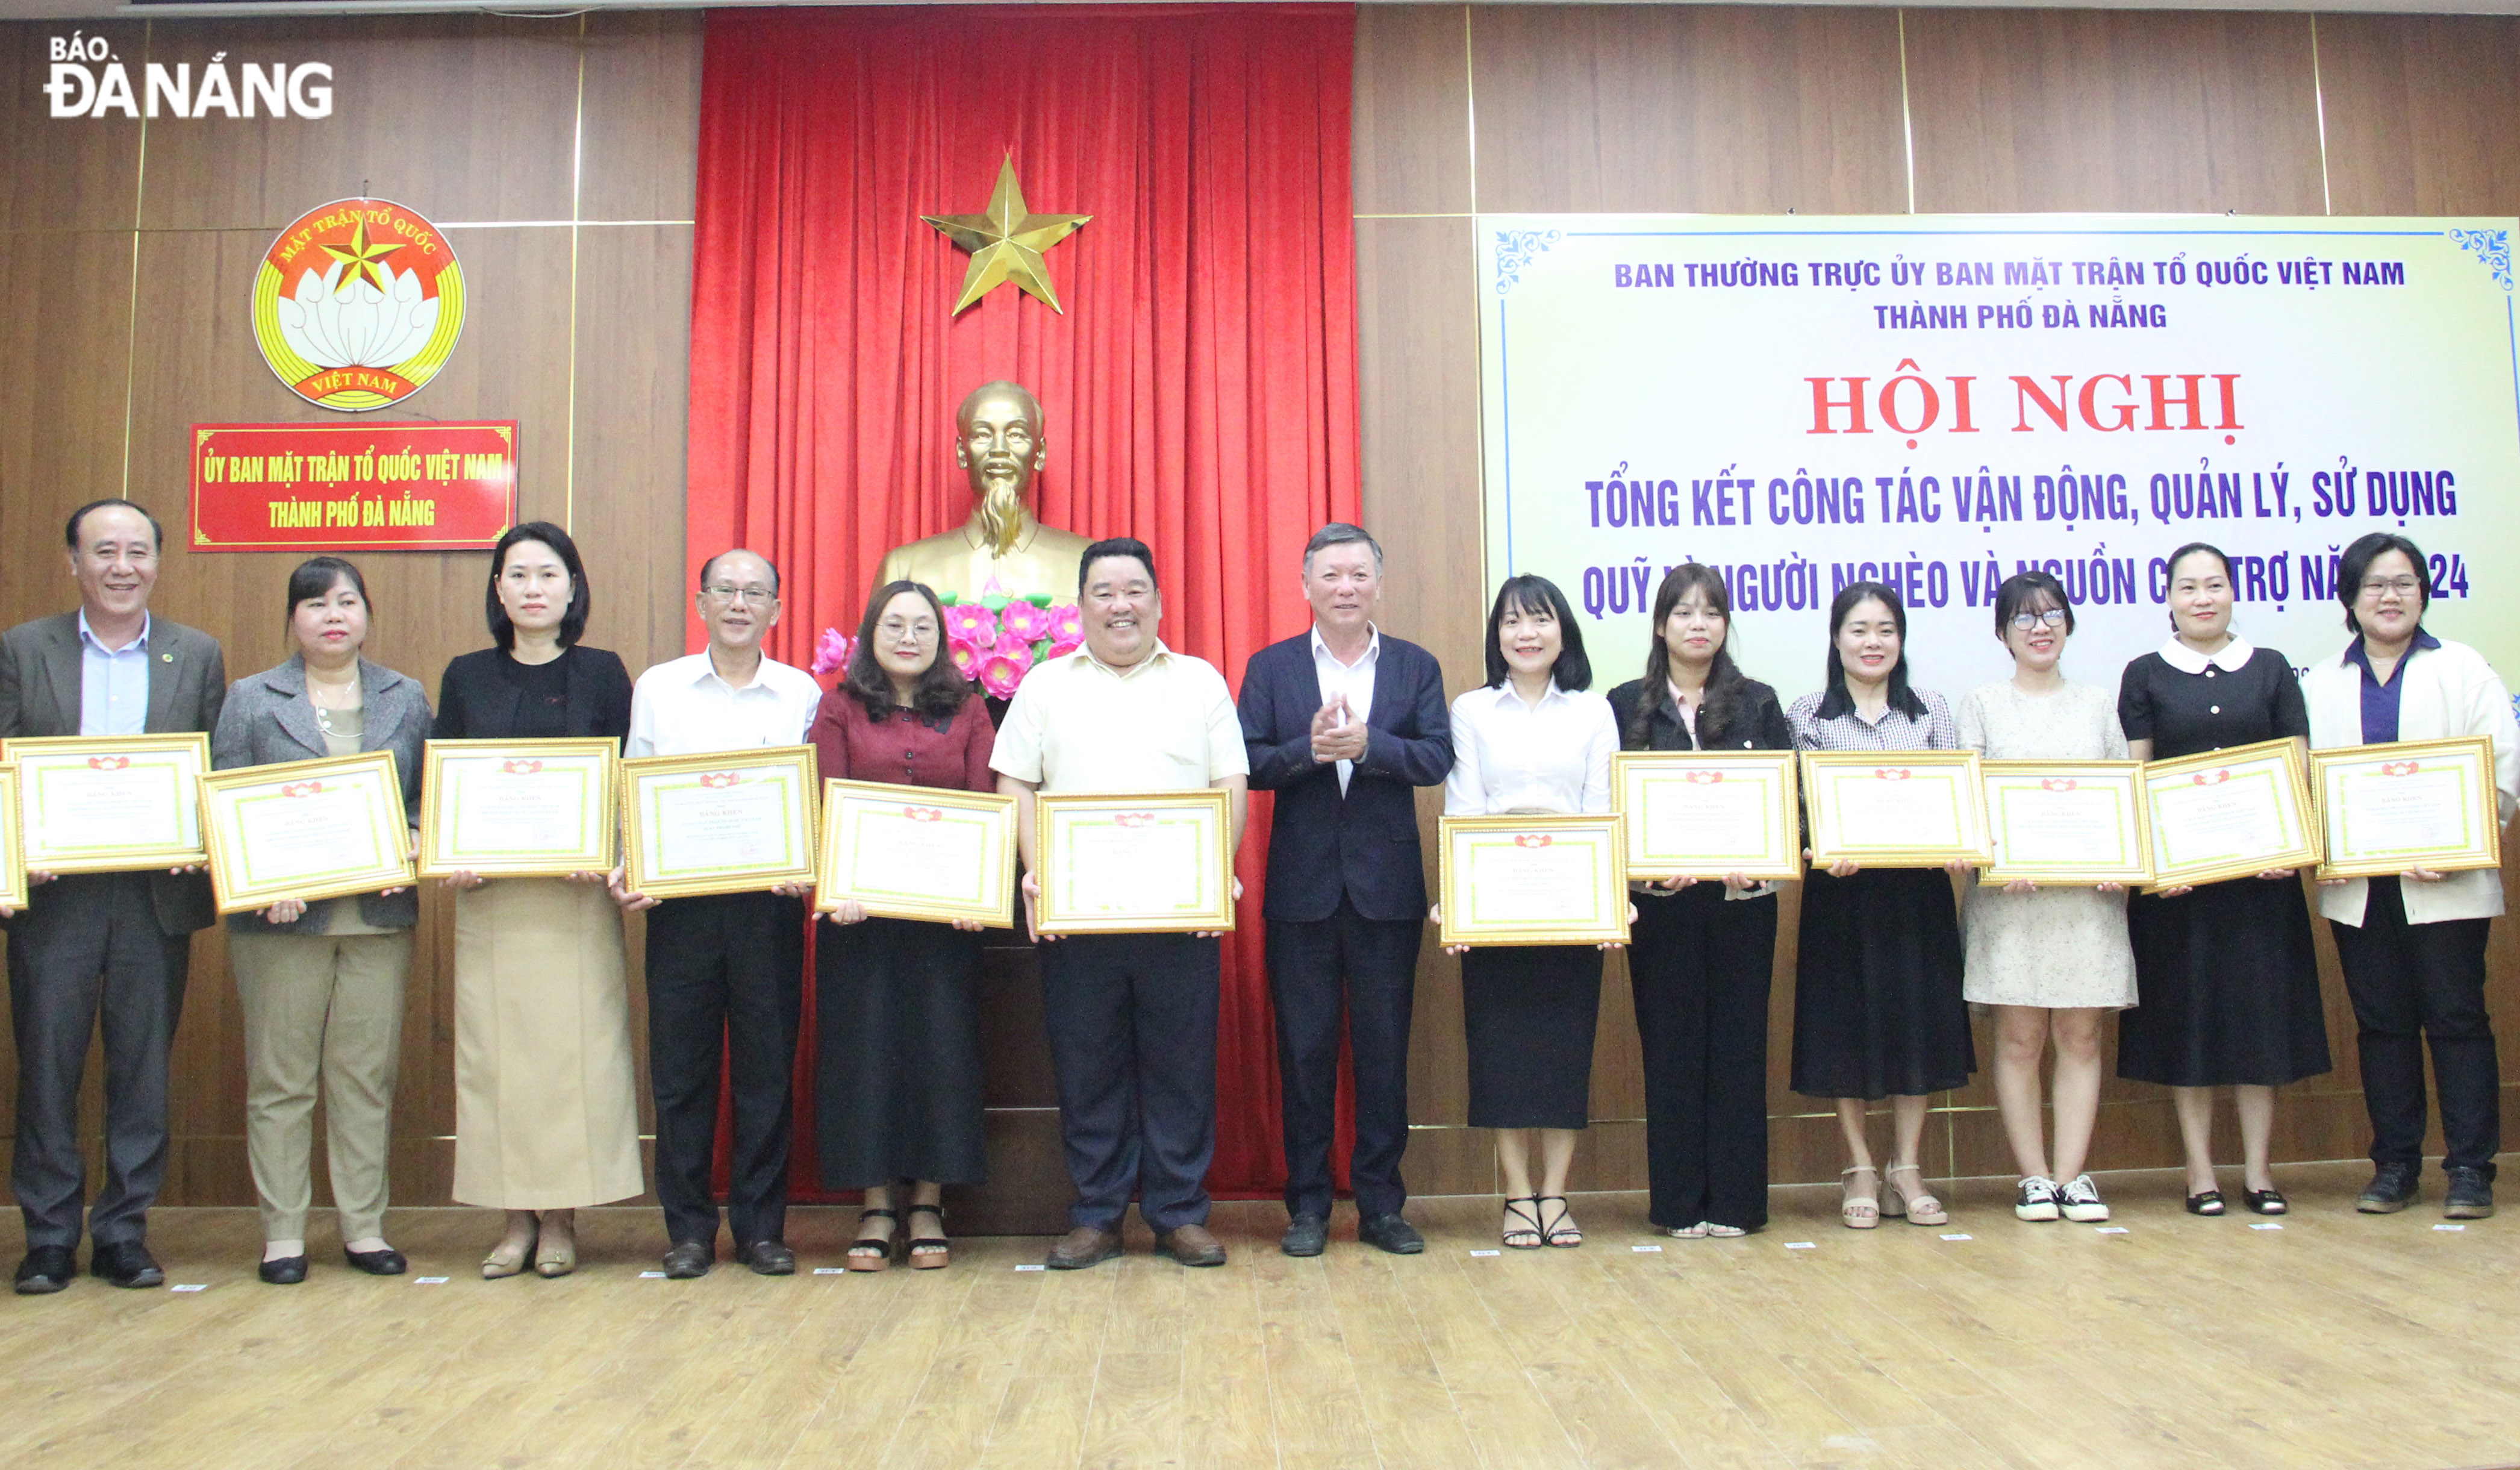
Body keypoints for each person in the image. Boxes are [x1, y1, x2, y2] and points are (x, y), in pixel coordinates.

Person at [992, 537, 1249, 1270]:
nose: (1120, 605)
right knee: (1088, 1066)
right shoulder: (1043, 684)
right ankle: (1097, 1214)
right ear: (1080, 607)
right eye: (1103, 592)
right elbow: (1015, 783)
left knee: (1180, 1065)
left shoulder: (1199, 681)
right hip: (1081, 915)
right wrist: (1039, 875)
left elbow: (1229, 783)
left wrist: (1212, 872)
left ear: (1158, 601)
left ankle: (1177, 1213)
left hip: (1179, 913)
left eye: (1133, 590)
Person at [0, 499, 226, 1293]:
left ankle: (125, 1231)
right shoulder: (24, 651)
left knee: (141, 1069)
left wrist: (207, 843)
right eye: (104, 551)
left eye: (137, 551)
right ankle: (51, 1237)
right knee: (49, 1066)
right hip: (53, 898)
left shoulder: (196, 655)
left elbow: (214, 776)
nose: (121, 566)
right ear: (73, 562)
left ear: (159, 563)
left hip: (152, 899)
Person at [211, 558, 429, 1284]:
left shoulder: (407, 696)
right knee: (281, 1079)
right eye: (314, 604)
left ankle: (363, 1227)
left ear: (366, 613)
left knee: (365, 1077)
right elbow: (225, 807)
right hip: (280, 923)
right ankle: (283, 1234)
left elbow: (432, 799)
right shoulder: (248, 698)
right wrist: (258, 883)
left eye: (346, 601)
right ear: (292, 619)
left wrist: (424, 834)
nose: (332, 615)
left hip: (378, 918)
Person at [434, 522, 643, 1278]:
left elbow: (628, 785)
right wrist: (448, 849)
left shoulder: (603, 673)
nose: (532, 588)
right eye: (517, 575)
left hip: (574, 900)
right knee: (497, 1061)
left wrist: (615, 853)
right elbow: (442, 784)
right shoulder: (464, 676)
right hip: (492, 902)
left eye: (547, 574)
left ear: (572, 587)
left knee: (570, 1060)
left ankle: (561, 1217)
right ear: (497, 589)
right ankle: (512, 1217)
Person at [1239, 524, 1452, 1258]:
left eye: (1358, 575)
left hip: (1385, 892)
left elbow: (1435, 756)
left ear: (1378, 585)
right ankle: (1305, 1207)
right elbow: (1250, 763)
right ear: (1304, 586)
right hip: (1300, 892)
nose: (1344, 588)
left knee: (1384, 1053)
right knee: (1303, 1053)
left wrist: (1372, 748)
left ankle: (1381, 1205)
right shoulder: (1270, 669)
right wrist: (1309, 749)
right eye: (1330, 575)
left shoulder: (1414, 667)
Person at [617, 549, 824, 1279]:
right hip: (680, 907)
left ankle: (762, 1228)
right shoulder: (659, 689)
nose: (740, 603)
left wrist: (806, 864)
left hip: (767, 909)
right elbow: (632, 787)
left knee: (767, 1071)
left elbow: (811, 800)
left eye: (755, 592)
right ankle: (689, 1231)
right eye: (726, 590)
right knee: (681, 1074)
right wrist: (631, 866)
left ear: (775, 609)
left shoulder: (800, 693)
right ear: (700, 602)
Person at [2302, 533, 2518, 1219]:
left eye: (2402, 583)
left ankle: (2468, 1170)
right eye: (2373, 584)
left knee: (2456, 1019)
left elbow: (2502, 766)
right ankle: (2393, 1166)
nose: (2389, 596)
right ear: (2349, 598)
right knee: (2381, 1024)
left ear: (2423, 592)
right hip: (2361, 888)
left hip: (2445, 881)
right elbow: (2300, 783)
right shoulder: (2318, 681)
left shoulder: (2461, 668)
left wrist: (2465, 840)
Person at [2116, 542, 2328, 1216]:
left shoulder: (2267, 669)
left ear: (2233, 591)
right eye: (2187, 586)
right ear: (2168, 598)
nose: (2201, 597)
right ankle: (2198, 1171)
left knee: (2259, 1025)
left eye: (2213, 584)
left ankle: (2259, 1172)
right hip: (2178, 893)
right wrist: (2155, 865)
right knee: (2189, 1023)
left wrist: (2289, 844)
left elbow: (2295, 763)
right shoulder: (2144, 673)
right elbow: (2137, 775)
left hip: (2260, 884)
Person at [808, 580, 997, 1270]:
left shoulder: (972, 711)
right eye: (894, 624)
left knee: (942, 1055)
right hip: (860, 922)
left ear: (941, 638)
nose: (908, 637)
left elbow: (986, 807)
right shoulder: (838, 708)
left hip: (945, 925)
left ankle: (926, 1203)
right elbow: (826, 803)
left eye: (922, 626)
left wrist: (975, 893)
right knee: (865, 1057)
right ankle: (875, 1204)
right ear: (870, 634)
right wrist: (840, 885)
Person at [1607, 564, 1791, 1239]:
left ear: (1724, 624)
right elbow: (1610, 807)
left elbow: (1785, 797)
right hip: (1659, 905)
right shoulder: (1625, 703)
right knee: (1670, 1048)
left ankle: (1737, 1203)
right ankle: (1679, 1203)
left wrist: (1759, 860)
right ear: (1660, 625)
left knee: (1739, 1045)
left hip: (1743, 901)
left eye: (1710, 612)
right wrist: (1645, 870)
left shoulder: (1758, 702)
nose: (1697, 624)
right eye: (1682, 612)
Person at [1441, 575, 1622, 1250]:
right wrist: (1456, 900)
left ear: (1562, 632)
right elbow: (1462, 806)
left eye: (1539, 620)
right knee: (1499, 1050)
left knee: (1563, 1050)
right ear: (1496, 637)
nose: (1525, 633)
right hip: (1495, 903)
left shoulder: (1592, 711)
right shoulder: (1471, 709)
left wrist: (1608, 901)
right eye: (1512, 622)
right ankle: (1517, 1194)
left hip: (1572, 903)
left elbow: (1604, 806)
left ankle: (1555, 1192)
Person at [1787, 581, 1972, 1230]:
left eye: (1885, 629)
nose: (1873, 642)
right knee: (1845, 1028)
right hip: (1840, 893)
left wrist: (1959, 843)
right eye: (1859, 629)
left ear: (1901, 639)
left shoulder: (1930, 713)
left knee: (1915, 1025)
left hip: (1916, 894)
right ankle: (1860, 1165)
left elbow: (1956, 800)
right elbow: (1798, 811)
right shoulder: (1807, 714)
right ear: (1836, 638)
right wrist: (1817, 844)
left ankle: (1907, 1164)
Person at [1956, 572, 2136, 1225]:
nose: (2040, 627)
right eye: (2024, 618)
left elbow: (2121, 797)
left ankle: (2072, 1176)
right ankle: (2032, 1177)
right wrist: (1999, 859)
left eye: (2052, 614)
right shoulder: (1980, 703)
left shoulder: (2095, 703)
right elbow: (1968, 801)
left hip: (2085, 899)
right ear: (2001, 633)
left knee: (2081, 1034)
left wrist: (2124, 861)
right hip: (2012, 898)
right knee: (2020, 1037)